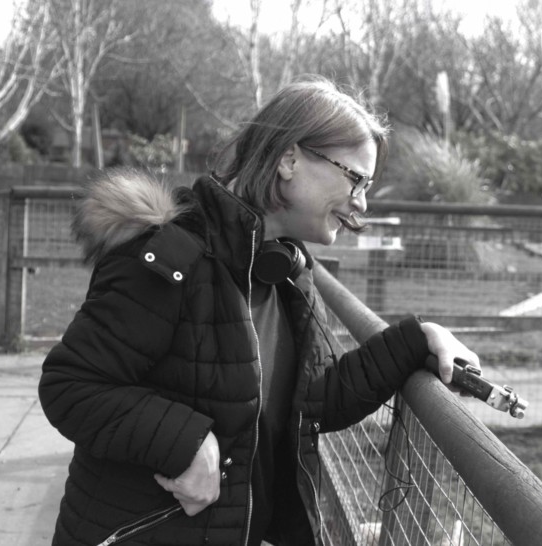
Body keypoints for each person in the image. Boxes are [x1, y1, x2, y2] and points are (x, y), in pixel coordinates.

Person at [38, 75, 480, 546]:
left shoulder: (285, 270)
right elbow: (71, 386)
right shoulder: (171, 259)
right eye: (355, 179)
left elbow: (315, 400)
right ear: (289, 159)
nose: (362, 203)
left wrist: (417, 340)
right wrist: (184, 444)